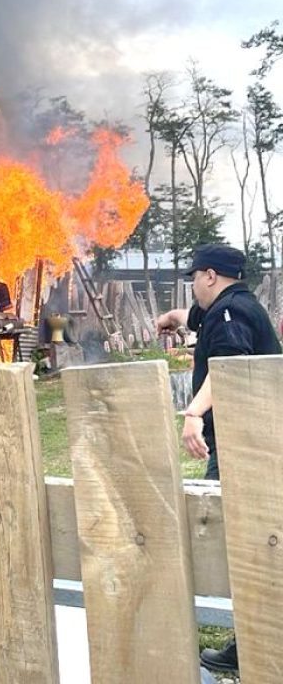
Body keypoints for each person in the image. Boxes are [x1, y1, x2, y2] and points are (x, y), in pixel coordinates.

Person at [157, 243, 282, 675]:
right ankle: (252, 638)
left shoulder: (228, 315)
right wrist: (172, 319)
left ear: (209, 276)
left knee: (248, 542)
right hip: (253, 440)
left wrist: (193, 412)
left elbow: (229, 363)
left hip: (246, 445)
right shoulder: (233, 306)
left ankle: (252, 644)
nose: (192, 286)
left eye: (194, 277)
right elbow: (196, 319)